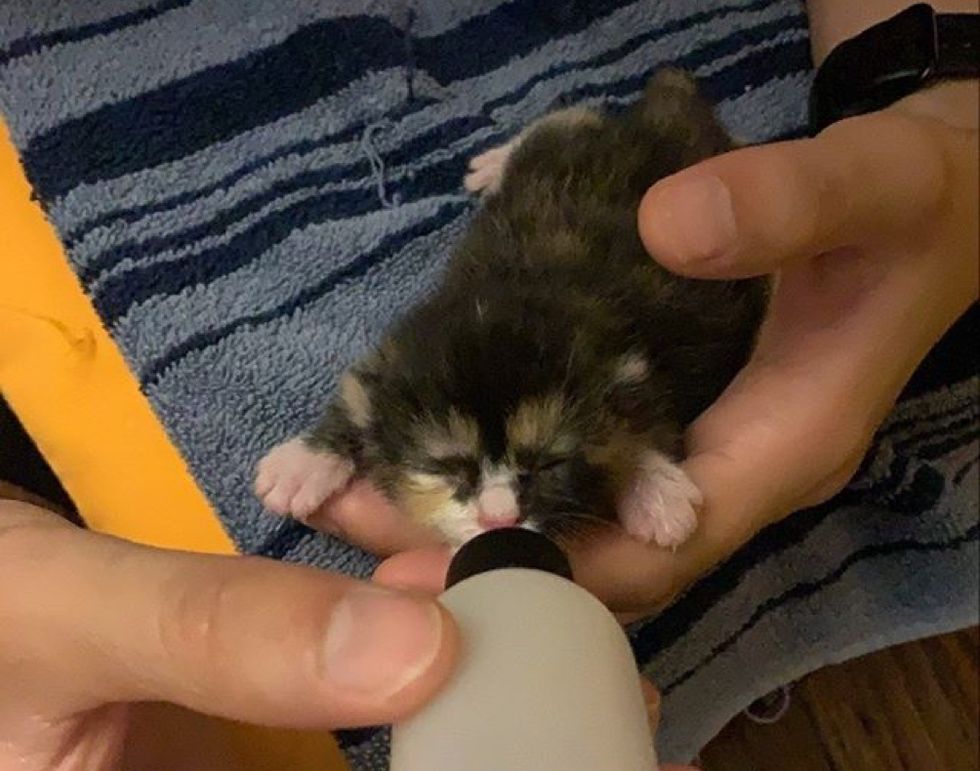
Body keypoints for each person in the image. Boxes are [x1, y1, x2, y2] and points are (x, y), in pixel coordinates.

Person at [1, 1, 975, 768]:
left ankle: (572, 134)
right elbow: (375, 390)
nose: (504, 508)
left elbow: (610, 404)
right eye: (467, 477)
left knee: (637, 162)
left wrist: (949, 97)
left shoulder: (592, 380)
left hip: (644, 217)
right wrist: (325, 444)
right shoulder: (422, 379)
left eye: (529, 469)